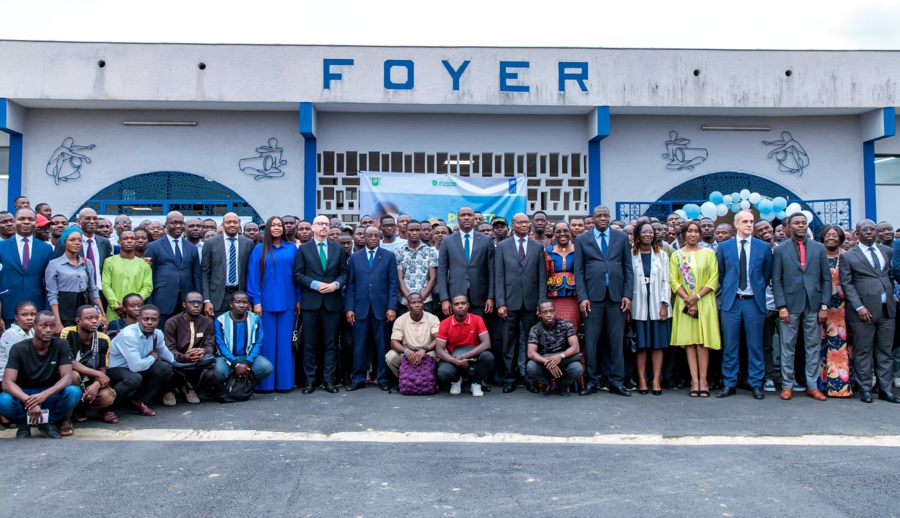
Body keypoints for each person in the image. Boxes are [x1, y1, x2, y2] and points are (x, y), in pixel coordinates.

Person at [573, 205, 634, 397]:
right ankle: (592, 381)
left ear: (609, 217)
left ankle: (616, 381)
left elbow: (628, 268)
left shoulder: (622, 237)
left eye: (605, 215)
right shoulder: (582, 239)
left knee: (616, 341)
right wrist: (582, 297)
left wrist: (627, 294)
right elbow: (579, 271)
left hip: (616, 297)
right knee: (592, 341)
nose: (602, 218)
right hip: (593, 298)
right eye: (598, 215)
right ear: (593, 218)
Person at [771, 213, 831, 401]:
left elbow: (826, 279)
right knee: (787, 345)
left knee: (813, 345)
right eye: (797, 223)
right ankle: (787, 384)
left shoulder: (819, 248)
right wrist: (781, 306)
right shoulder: (780, 250)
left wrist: (824, 305)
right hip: (789, 304)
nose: (801, 226)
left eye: (804, 223)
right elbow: (777, 280)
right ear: (789, 227)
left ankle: (812, 385)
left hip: (813, 304)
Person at [840, 219, 899, 404]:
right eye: (864, 229)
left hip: (886, 310)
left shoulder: (886, 251)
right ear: (857, 233)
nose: (869, 232)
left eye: (872, 229)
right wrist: (859, 307)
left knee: (885, 352)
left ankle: (885, 389)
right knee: (864, 351)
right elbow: (847, 284)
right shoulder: (849, 256)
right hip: (862, 312)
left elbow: (889, 276)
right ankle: (865, 388)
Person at [716, 210, 773, 400]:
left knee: (755, 345)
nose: (749, 224)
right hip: (732, 302)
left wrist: (754, 291)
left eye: (751, 221)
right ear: (736, 224)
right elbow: (722, 274)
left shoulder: (763, 247)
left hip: (753, 302)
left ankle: (756, 383)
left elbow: (765, 276)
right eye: (745, 221)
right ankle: (729, 382)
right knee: (730, 345)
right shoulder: (724, 247)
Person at [0, 311, 81, 439]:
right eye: (43, 326)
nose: (48, 330)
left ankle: (49, 422)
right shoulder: (19, 348)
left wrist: (45, 394)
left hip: (49, 393)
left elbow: (67, 377)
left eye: (52, 326)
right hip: (24, 394)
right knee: (4, 400)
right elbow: (7, 383)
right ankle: (24, 422)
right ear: (34, 326)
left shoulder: (61, 344)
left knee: (74, 392)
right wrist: (29, 401)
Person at [247, 216, 301, 393]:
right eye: (274, 225)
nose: (277, 228)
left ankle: (285, 384)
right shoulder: (258, 250)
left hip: (289, 302)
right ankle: (266, 384)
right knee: (267, 344)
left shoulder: (292, 249)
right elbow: (253, 278)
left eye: (280, 225)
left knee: (286, 345)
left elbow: (297, 277)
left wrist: (299, 298)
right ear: (267, 229)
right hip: (266, 303)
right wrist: (256, 302)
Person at [294, 215, 347, 393]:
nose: (324, 227)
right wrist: (315, 285)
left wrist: (335, 284)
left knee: (331, 344)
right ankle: (310, 380)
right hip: (311, 303)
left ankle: (329, 380)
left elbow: (344, 273)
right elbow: (298, 274)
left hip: (332, 303)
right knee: (310, 343)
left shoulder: (338, 249)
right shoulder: (303, 249)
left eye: (326, 224)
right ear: (313, 228)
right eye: (320, 224)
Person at [495, 213, 547, 393]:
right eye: (520, 222)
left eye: (526, 222)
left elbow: (542, 277)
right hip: (509, 302)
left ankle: (529, 377)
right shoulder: (502, 246)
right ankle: (510, 378)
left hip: (531, 302)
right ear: (513, 225)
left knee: (531, 341)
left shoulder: (537, 246)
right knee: (509, 341)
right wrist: (500, 302)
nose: (525, 225)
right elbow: (499, 276)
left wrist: (541, 303)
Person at [344, 226, 399, 391]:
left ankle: (382, 378)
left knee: (381, 345)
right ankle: (359, 378)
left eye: (376, 235)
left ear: (380, 237)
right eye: (370, 235)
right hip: (359, 308)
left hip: (382, 309)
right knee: (359, 345)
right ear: (363, 237)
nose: (373, 238)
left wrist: (391, 307)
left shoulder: (389, 256)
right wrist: (349, 308)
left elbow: (393, 284)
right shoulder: (354, 258)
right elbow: (350, 285)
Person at [669, 219, 720, 397]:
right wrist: (687, 299)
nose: (692, 234)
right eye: (689, 231)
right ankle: (694, 381)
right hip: (684, 303)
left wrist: (696, 297)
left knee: (702, 342)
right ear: (683, 234)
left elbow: (713, 279)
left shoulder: (709, 254)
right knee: (690, 342)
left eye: (695, 231)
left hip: (704, 302)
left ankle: (704, 381)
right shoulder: (676, 255)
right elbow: (674, 281)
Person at [107, 304, 174, 416]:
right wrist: (152, 357)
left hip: (137, 365)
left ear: (158, 321)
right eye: (146, 319)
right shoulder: (129, 334)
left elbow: (165, 353)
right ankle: (108, 408)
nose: (149, 322)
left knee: (165, 368)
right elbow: (136, 367)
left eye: (153, 320)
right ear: (138, 319)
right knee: (134, 378)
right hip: (116, 368)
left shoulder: (158, 334)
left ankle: (138, 400)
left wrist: (180, 363)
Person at [630, 221, 671, 396]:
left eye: (651, 231)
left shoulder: (662, 255)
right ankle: (641, 380)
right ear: (638, 234)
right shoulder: (631, 255)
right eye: (644, 231)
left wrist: (664, 304)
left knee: (657, 345)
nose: (648, 234)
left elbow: (666, 281)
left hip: (657, 305)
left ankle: (655, 380)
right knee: (641, 346)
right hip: (638, 305)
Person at [60, 305, 118, 426]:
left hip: (88, 380)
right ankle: (70, 412)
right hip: (70, 377)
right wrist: (97, 374)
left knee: (108, 396)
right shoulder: (67, 333)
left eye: (97, 318)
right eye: (89, 318)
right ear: (78, 321)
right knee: (73, 375)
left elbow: (102, 369)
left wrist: (96, 384)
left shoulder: (104, 339)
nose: (94, 321)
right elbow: (68, 362)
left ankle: (84, 405)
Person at [144, 211, 201, 326]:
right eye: (174, 223)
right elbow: (148, 275)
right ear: (167, 225)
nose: (178, 226)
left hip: (186, 298)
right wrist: (149, 303)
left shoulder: (191, 248)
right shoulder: (153, 246)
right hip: (162, 298)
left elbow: (196, 275)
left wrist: (198, 298)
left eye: (181, 223)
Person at [437, 207, 494, 317]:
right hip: (455, 297)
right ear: (457, 219)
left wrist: (491, 297)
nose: (466, 218)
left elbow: (492, 271)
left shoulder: (486, 240)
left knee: (480, 331)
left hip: (480, 297)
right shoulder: (447, 241)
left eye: (469, 215)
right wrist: (444, 299)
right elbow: (442, 272)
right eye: (463, 215)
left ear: (474, 219)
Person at [0, 208, 53, 326]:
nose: (26, 222)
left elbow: (51, 283)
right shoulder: (1, 247)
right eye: (21, 219)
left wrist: (47, 311)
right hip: (8, 308)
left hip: (37, 309)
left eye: (30, 219)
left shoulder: (46, 249)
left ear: (36, 223)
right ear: (14, 222)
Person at [45, 227, 104, 333]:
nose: (77, 243)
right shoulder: (54, 264)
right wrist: (57, 322)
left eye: (80, 240)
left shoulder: (87, 263)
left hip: (85, 309)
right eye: (72, 240)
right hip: (65, 310)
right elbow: (52, 295)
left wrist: (102, 315)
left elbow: (93, 290)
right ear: (64, 242)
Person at [817, 226, 853, 397]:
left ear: (840, 238)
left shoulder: (848, 256)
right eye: (828, 235)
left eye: (835, 235)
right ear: (822, 237)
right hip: (822, 306)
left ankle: (842, 386)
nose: (831, 238)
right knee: (821, 345)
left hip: (844, 307)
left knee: (843, 345)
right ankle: (822, 384)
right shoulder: (817, 255)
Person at [435, 295, 495, 397]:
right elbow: (439, 350)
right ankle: (456, 381)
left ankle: (476, 383)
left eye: (463, 303)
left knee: (488, 357)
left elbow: (486, 343)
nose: (460, 306)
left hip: (473, 357)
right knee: (443, 372)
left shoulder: (477, 319)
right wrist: (457, 361)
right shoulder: (445, 323)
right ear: (452, 307)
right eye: (457, 304)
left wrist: (463, 357)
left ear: (468, 305)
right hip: (454, 358)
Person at [163, 291, 216, 405]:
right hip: (178, 361)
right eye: (192, 302)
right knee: (166, 366)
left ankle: (191, 388)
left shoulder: (207, 322)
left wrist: (202, 351)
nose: (196, 305)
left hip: (199, 361)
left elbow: (210, 346)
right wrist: (184, 357)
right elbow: (169, 348)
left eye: (199, 302)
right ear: (184, 305)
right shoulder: (172, 322)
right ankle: (169, 390)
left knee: (211, 369)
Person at [213, 291, 273, 387]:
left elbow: (257, 343)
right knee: (217, 370)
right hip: (226, 358)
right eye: (238, 302)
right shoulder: (221, 320)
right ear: (231, 304)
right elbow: (220, 345)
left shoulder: (255, 319)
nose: (241, 305)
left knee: (266, 367)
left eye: (245, 302)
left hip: (246, 357)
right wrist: (236, 364)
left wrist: (247, 363)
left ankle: (244, 386)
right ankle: (224, 388)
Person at [201, 213, 254, 317]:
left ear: (239, 224)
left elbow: (251, 273)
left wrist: (250, 299)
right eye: (228, 222)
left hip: (240, 295)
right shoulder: (210, 243)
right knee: (218, 330)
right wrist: (206, 300)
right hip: (216, 297)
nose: (232, 225)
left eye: (235, 222)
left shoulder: (248, 243)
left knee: (239, 330)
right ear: (222, 224)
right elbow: (204, 273)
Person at [525, 299, 583, 395]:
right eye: (545, 312)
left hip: (563, 361)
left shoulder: (566, 325)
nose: (549, 314)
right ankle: (546, 384)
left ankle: (564, 385)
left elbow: (576, 347)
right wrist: (548, 362)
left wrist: (560, 356)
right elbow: (531, 353)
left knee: (577, 368)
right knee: (531, 366)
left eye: (551, 311)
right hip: (545, 363)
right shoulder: (535, 329)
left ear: (555, 311)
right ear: (539, 314)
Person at [55, 209, 112, 300]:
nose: (92, 222)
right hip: (75, 294)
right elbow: (58, 266)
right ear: (79, 221)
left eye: (94, 219)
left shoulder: (104, 242)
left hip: (100, 294)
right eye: (87, 218)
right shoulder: (67, 242)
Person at [101, 230, 152, 323]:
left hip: (136, 311)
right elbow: (105, 285)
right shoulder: (109, 262)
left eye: (133, 239)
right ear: (119, 242)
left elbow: (148, 287)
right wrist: (115, 305)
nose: (129, 241)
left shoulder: (144, 264)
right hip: (115, 310)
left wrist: (133, 305)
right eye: (125, 238)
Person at [387, 292, 441, 378]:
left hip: (428, 351)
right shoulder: (400, 320)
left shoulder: (432, 318)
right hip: (408, 352)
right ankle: (404, 380)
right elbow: (394, 343)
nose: (417, 305)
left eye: (420, 302)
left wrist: (425, 349)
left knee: (443, 352)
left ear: (423, 304)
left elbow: (438, 339)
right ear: (408, 305)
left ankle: (433, 380)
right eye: (413, 303)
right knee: (390, 356)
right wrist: (406, 351)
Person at [396, 220, 438, 315]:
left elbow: (433, 278)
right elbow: (399, 278)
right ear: (406, 232)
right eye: (411, 230)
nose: (415, 233)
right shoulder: (399, 252)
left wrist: (419, 300)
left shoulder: (430, 252)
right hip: (404, 301)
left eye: (418, 230)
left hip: (425, 301)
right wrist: (410, 300)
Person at [545, 221, 580, 331]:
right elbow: (544, 276)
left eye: (565, 231)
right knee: (555, 328)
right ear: (554, 234)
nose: (562, 234)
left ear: (570, 232)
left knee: (572, 327)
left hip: (573, 298)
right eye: (558, 231)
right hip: (553, 298)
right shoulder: (547, 251)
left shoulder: (578, 249)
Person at [0, 300, 36, 386]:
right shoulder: (11, 334)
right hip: (6, 379)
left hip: (24, 375)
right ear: (16, 317)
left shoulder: (33, 331)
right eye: (24, 315)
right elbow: (18, 361)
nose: (29, 318)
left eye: (33, 314)